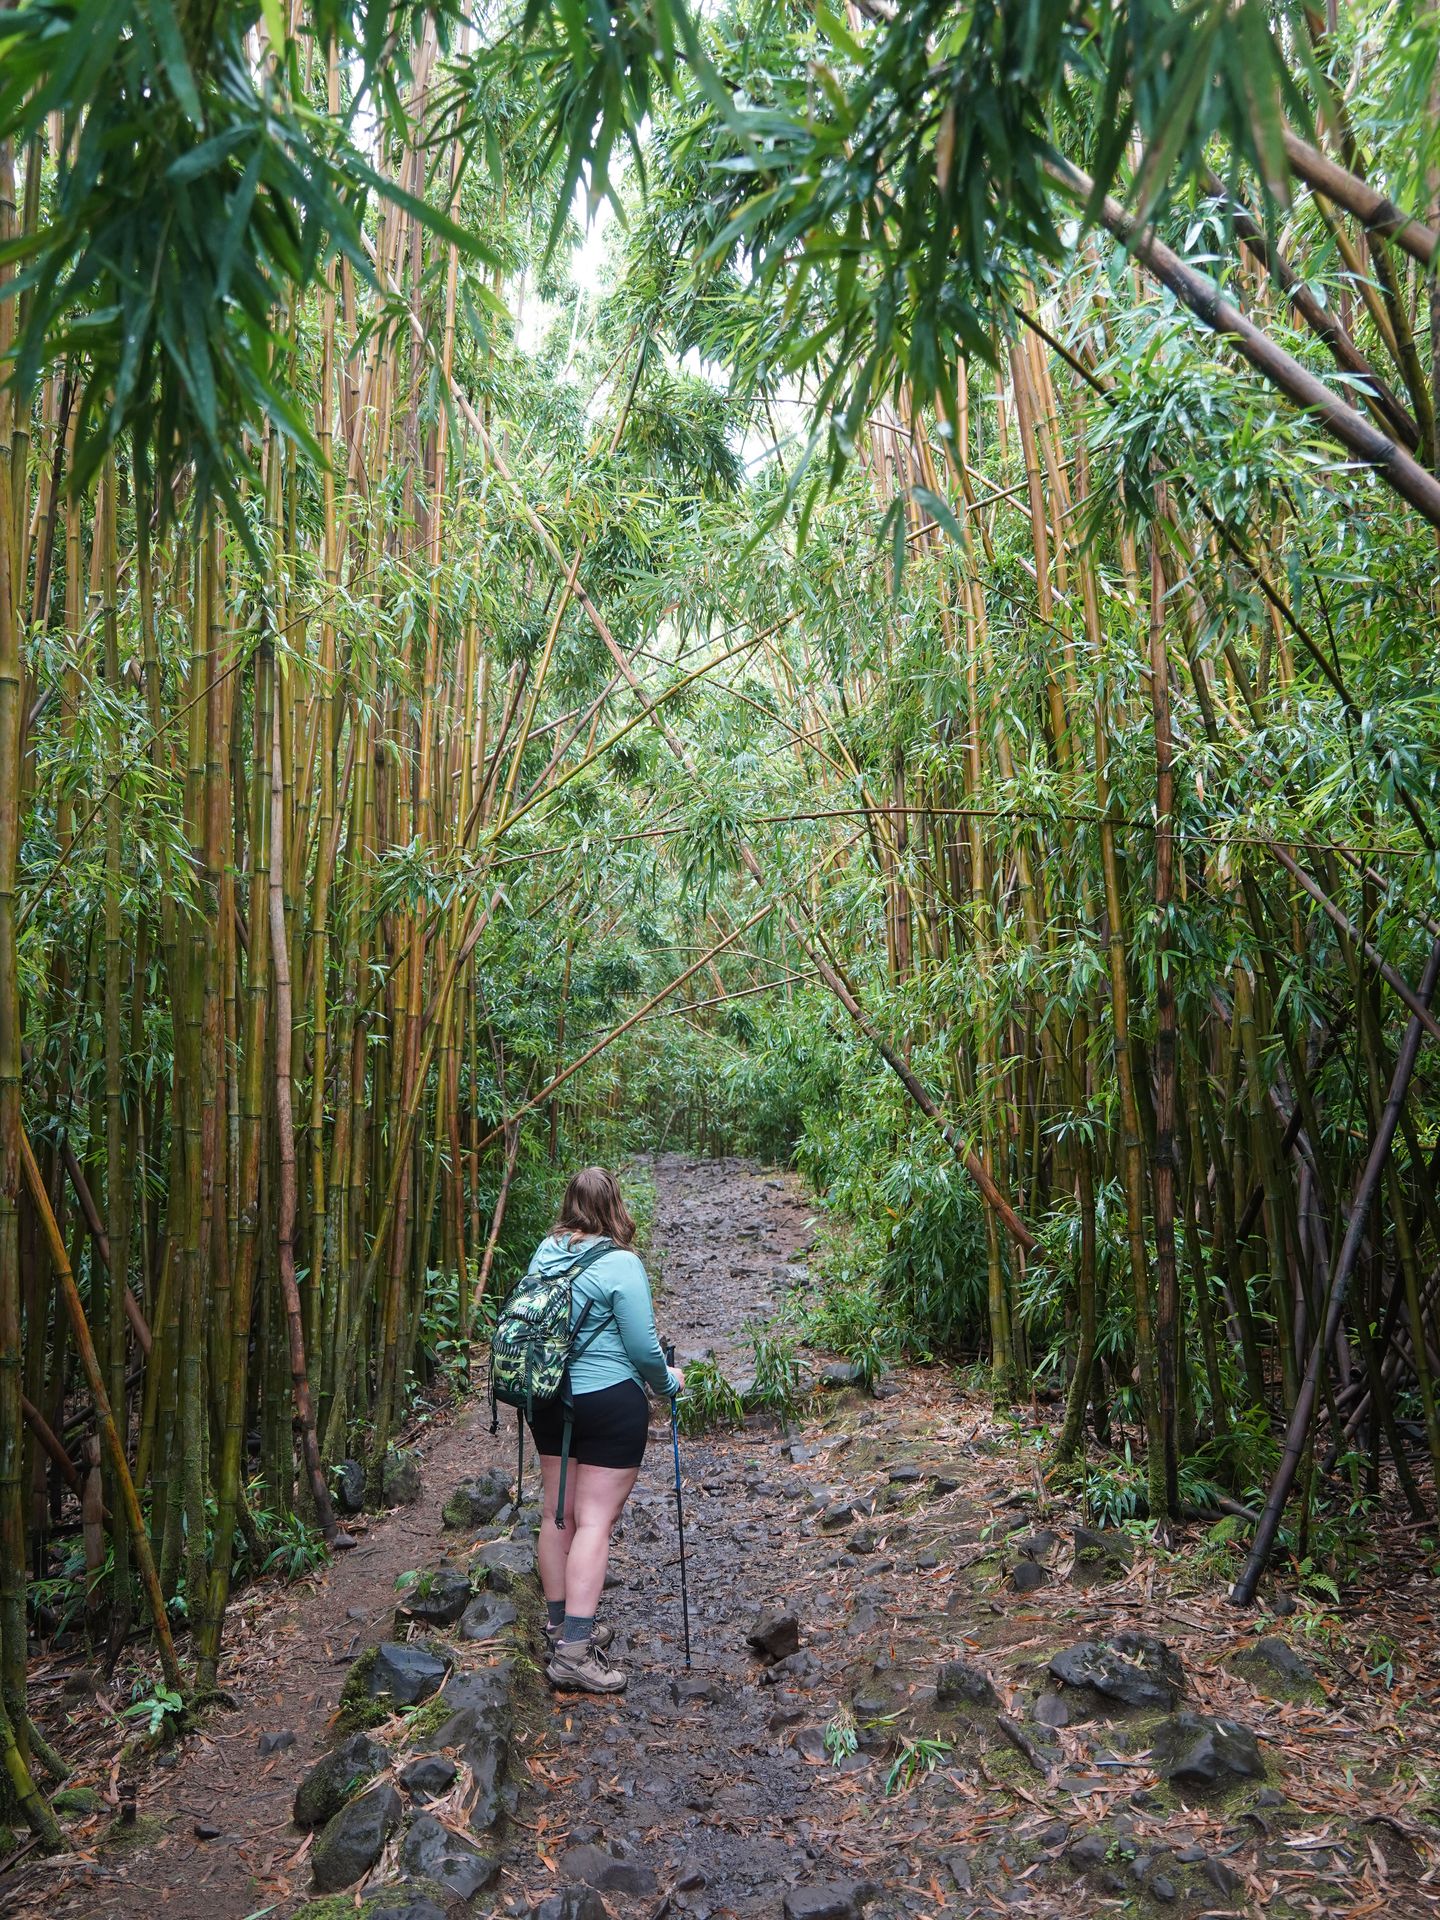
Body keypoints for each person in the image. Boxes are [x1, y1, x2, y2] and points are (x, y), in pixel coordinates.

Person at [525, 1166, 683, 1694]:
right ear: (615, 1203)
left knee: (557, 1513)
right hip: (609, 1401)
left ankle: (559, 1628)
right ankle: (574, 1652)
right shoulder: (621, 1262)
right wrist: (668, 1382)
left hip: (547, 1399)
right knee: (594, 1521)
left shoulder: (545, 1252)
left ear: (569, 1202)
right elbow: (642, 1348)